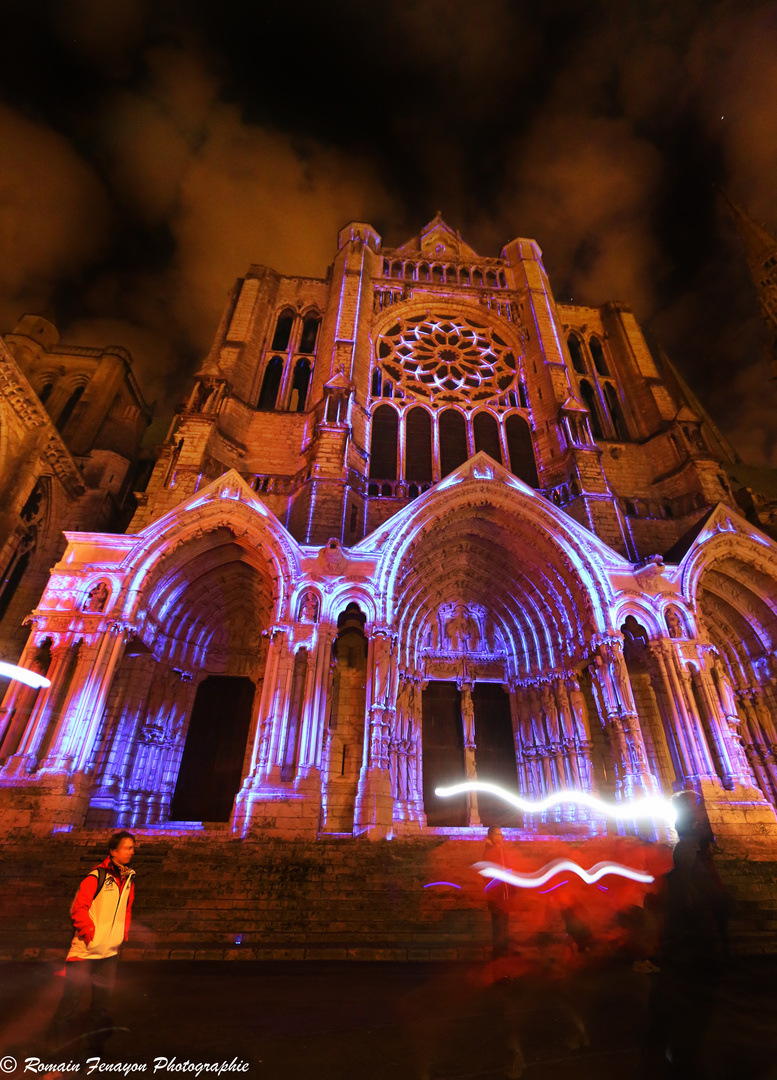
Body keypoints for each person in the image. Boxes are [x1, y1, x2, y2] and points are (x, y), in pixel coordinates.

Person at [47, 830, 136, 1055]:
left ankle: (90, 1052)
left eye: (133, 848)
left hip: (109, 954)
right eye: (127, 847)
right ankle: (53, 1053)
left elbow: (126, 909)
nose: (132, 852)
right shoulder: (95, 876)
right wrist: (90, 934)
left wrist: (121, 934)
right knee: (70, 1003)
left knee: (101, 1005)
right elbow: (79, 909)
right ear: (113, 851)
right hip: (85, 952)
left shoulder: (128, 879)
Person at [482, 825, 511, 959]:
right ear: (492, 836)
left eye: (501, 834)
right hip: (498, 899)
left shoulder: (500, 850)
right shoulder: (490, 852)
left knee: (504, 931)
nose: (501, 837)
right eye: (498, 835)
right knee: (499, 932)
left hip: (505, 899)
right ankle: (499, 962)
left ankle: (503, 961)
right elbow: (488, 877)